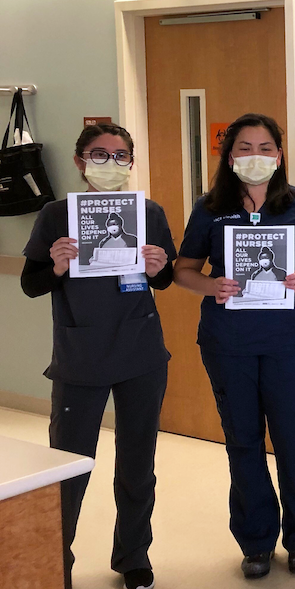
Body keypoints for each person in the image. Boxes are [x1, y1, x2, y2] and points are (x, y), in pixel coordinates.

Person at [174, 113, 295, 579]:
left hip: (285, 341)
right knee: (243, 441)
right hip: (229, 343)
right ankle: (256, 540)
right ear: (229, 155)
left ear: (279, 155)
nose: (256, 156)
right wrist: (212, 287)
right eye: (244, 147)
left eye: (266, 147)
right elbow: (185, 270)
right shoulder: (210, 207)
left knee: (293, 439)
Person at [21, 123, 176, 589]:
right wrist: (57, 265)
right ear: (79, 162)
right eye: (99, 154)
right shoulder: (55, 215)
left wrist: (158, 267)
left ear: (131, 162)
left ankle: (133, 557)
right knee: (68, 467)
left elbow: (163, 281)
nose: (111, 163)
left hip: (140, 354)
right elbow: (32, 284)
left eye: (121, 155)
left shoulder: (147, 213)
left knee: (137, 464)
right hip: (80, 355)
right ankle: (55, 561)